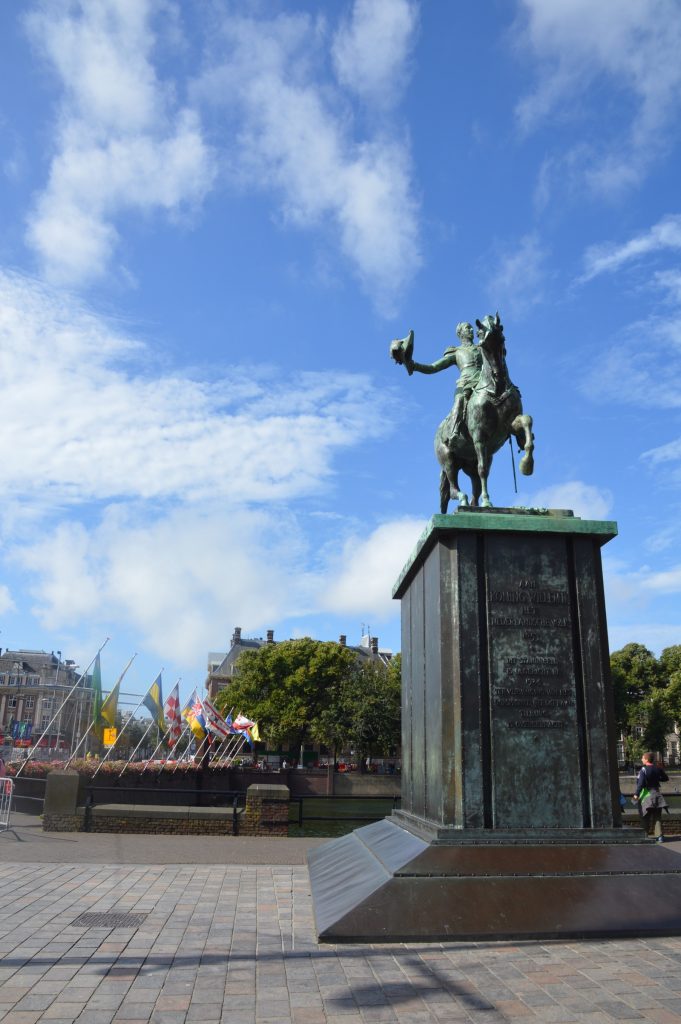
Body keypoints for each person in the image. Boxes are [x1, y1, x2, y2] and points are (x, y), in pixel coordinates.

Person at [403, 322, 483, 442]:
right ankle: (454, 431)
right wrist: (414, 366)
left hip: (483, 380)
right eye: (468, 328)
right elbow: (434, 367)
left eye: (472, 328)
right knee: (460, 400)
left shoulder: (481, 348)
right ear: (460, 333)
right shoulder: (456, 351)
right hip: (466, 383)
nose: (471, 330)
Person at [632, 751, 669, 842]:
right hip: (657, 794)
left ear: (646, 759)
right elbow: (665, 778)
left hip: (647, 795)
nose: (641, 759)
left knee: (645, 816)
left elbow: (640, 784)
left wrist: (636, 795)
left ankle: (644, 835)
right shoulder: (658, 768)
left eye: (642, 758)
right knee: (657, 816)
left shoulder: (643, 770)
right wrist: (657, 779)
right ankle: (659, 836)